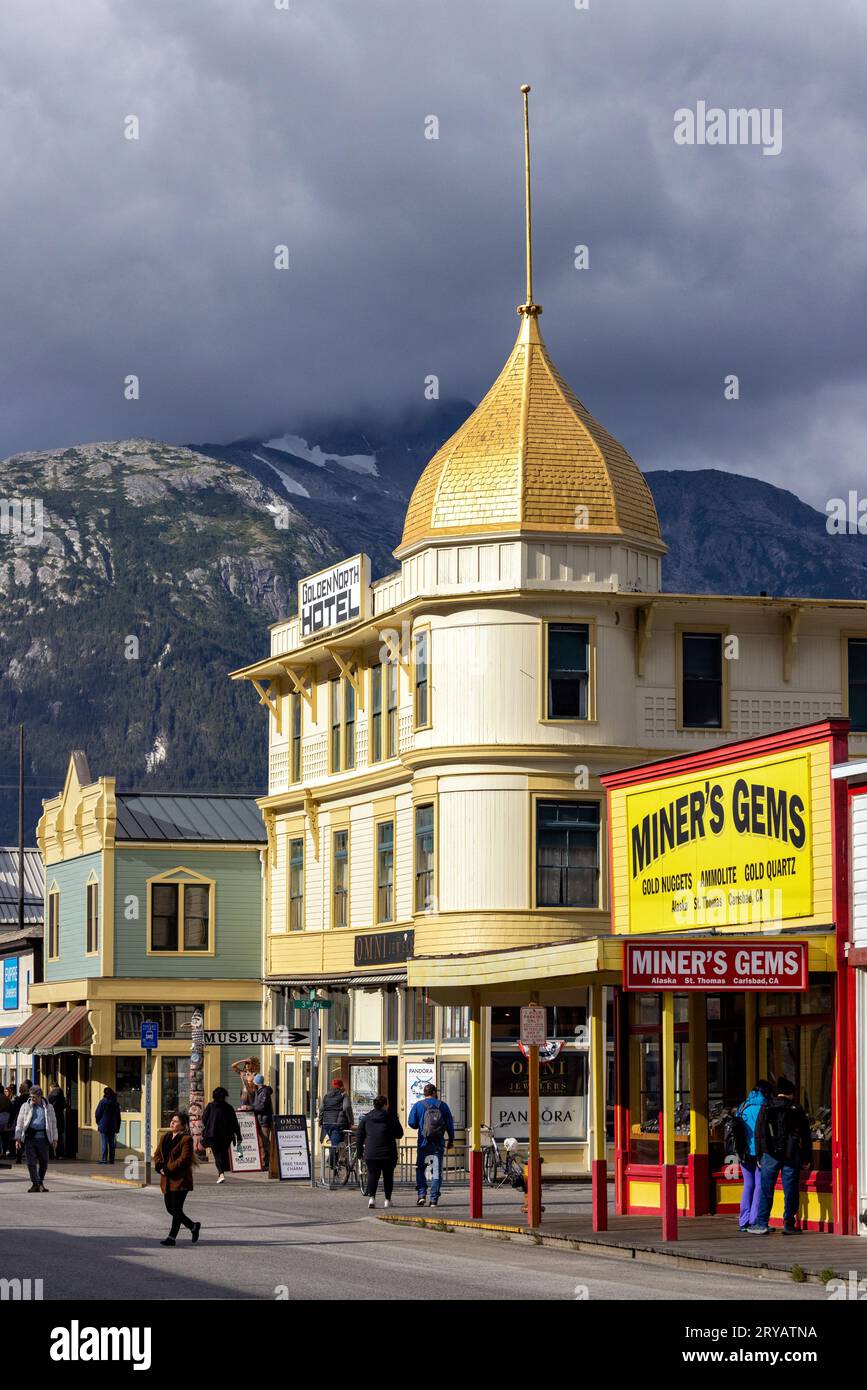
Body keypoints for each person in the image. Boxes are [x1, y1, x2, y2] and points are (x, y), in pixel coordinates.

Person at [749, 1077, 813, 1236]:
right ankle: (789, 1224)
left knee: (766, 1190)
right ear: (791, 1093)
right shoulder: (796, 1109)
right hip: (791, 1155)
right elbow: (805, 1135)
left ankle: (762, 1223)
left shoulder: (766, 1107)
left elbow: (759, 1132)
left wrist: (759, 1155)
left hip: (769, 1155)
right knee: (790, 1190)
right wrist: (806, 1157)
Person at [154, 1111, 201, 1246]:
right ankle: (193, 1226)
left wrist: (169, 1168)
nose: (172, 1123)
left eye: (176, 1121)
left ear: (182, 1125)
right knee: (171, 1209)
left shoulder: (186, 1139)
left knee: (176, 1209)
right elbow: (157, 1154)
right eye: (172, 1121)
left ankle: (172, 1238)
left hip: (180, 1179)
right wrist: (159, 1166)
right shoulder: (165, 1137)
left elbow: (184, 1159)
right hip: (166, 1179)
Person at [732, 1080, 772, 1233]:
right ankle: (754, 1220)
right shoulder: (765, 1107)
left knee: (748, 1185)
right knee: (759, 1186)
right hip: (759, 1153)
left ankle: (743, 1220)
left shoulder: (743, 1107)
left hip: (743, 1152)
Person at [408, 1083, 454, 1207]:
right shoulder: (443, 1106)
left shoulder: (418, 1105)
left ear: (425, 1093)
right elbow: (450, 1124)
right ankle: (433, 1199)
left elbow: (411, 1123)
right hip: (438, 1143)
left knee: (421, 1168)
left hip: (423, 1143)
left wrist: (421, 1124)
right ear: (434, 1092)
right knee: (436, 1171)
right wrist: (451, 1140)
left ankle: (421, 1195)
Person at [356, 1096, 403, 1210]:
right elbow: (400, 1134)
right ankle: (387, 1200)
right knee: (388, 1176)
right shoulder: (391, 1118)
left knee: (372, 1175)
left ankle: (372, 1198)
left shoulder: (366, 1118)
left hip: (371, 1152)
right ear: (385, 1105)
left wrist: (359, 1152)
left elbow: (360, 1136)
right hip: (388, 1153)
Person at [14, 1084, 58, 1192]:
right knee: (31, 1162)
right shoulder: (25, 1106)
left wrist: (54, 1139)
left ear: (40, 1096)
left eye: (34, 1097)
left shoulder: (49, 1107)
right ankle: (35, 1183)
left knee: (44, 1163)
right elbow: (19, 1123)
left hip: (43, 1139)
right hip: (30, 1138)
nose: (32, 1099)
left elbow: (53, 1124)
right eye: (31, 1096)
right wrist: (18, 1138)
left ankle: (40, 1181)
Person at [202, 1086, 242, 1183]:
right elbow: (235, 1123)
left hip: (212, 1135)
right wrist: (239, 1135)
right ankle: (222, 1171)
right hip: (226, 1135)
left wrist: (209, 1125)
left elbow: (204, 1119)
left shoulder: (210, 1106)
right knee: (223, 1153)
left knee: (217, 1155)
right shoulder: (229, 1108)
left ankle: (221, 1173)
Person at [318, 1078, 354, 1175]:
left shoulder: (326, 1097)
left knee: (336, 1144)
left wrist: (321, 1121)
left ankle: (334, 1166)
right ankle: (332, 1163)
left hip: (327, 1124)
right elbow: (347, 1107)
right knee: (336, 1145)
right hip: (338, 1124)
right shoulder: (344, 1096)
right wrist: (351, 1120)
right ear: (341, 1086)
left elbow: (321, 1109)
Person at [95, 1087, 122, 1164]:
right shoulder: (116, 1103)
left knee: (104, 1143)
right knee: (111, 1144)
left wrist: (99, 1123)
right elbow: (118, 1117)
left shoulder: (102, 1102)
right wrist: (117, 1127)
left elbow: (97, 1114)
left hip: (103, 1125)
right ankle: (112, 1160)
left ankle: (104, 1160)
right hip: (112, 1126)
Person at [251, 1073, 274, 1165]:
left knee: (265, 1142)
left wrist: (252, 1108)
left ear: (256, 1083)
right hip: (261, 1119)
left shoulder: (264, 1092)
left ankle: (271, 1160)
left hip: (264, 1120)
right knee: (262, 1142)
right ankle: (265, 1161)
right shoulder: (260, 1091)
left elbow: (262, 1106)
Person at [47, 1081, 66, 1158]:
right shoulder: (62, 1096)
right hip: (60, 1117)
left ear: (51, 1087)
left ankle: (51, 1154)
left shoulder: (51, 1095)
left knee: (51, 1136)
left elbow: (47, 1104)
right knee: (59, 1137)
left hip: (53, 1117)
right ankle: (60, 1154)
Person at [0, 1086, 14, 1157]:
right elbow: (12, 1110)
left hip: (1, 1118)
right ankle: (4, 1152)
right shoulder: (6, 1099)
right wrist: (10, 1121)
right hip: (7, 1119)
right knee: (5, 1137)